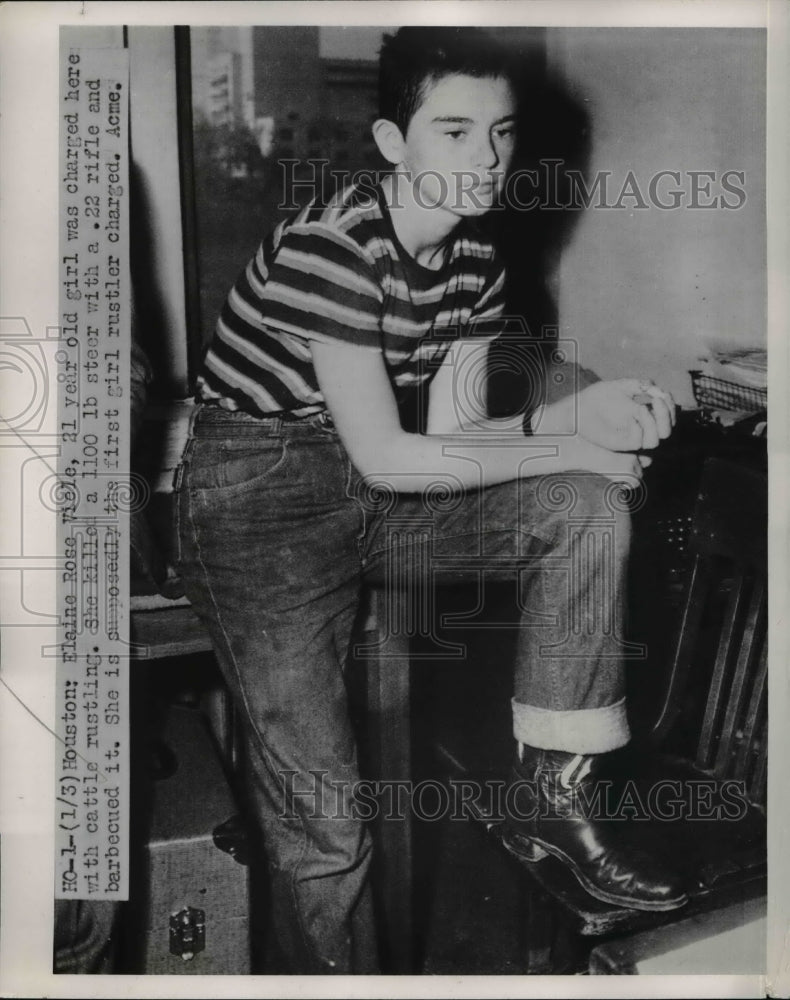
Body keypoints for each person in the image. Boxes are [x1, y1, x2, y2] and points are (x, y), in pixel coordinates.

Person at [176, 26, 686, 974]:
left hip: (372, 480)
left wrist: (574, 425)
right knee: (327, 824)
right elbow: (388, 457)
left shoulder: (475, 264)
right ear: (390, 142)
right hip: (256, 500)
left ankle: (551, 794)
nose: (486, 160)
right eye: (454, 132)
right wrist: (567, 436)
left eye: (499, 134)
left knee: (584, 504)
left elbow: (444, 441)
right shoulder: (337, 247)